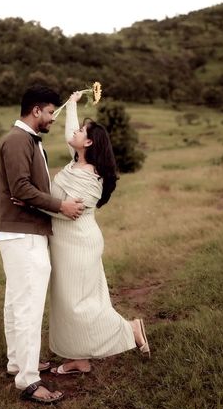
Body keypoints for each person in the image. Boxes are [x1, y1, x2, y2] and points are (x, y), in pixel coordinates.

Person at [13, 91, 150, 375]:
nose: (73, 132)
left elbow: (66, 209)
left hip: (79, 243)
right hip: (64, 242)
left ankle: (130, 329)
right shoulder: (77, 161)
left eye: (81, 131)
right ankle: (79, 358)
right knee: (66, 301)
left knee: (78, 303)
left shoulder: (91, 176)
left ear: (88, 142)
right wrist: (73, 105)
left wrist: (29, 201)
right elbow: (69, 136)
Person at [0, 85, 85, 404]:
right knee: (28, 307)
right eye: (49, 112)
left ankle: (18, 363)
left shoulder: (25, 140)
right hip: (23, 234)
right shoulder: (18, 140)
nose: (51, 118)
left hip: (23, 231)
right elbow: (20, 188)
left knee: (16, 303)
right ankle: (29, 381)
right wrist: (61, 206)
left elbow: (25, 189)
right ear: (36, 110)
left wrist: (44, 200)